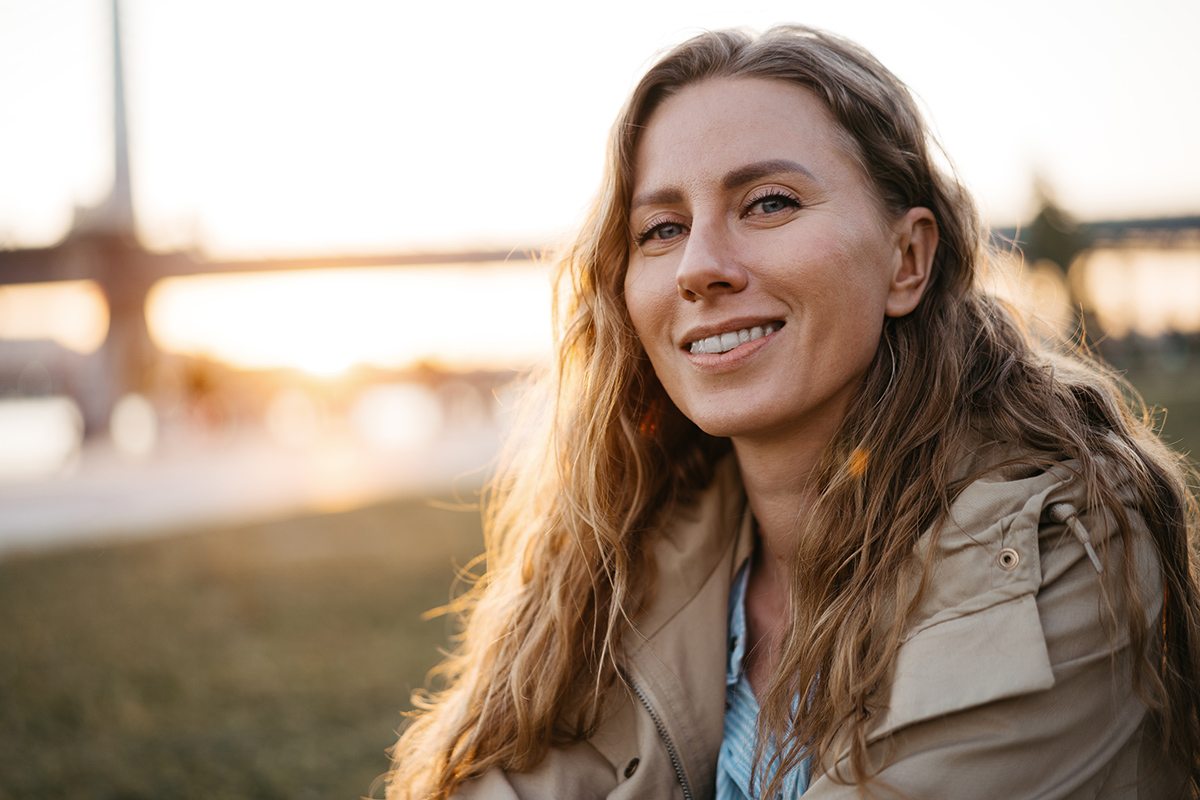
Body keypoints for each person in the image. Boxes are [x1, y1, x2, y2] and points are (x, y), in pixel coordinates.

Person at [384, 26, 1200, 799]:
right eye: (661, 229)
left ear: (907, 260)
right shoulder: (634, 554)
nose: (699, 268)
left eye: (769, 204)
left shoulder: (1061, 546)